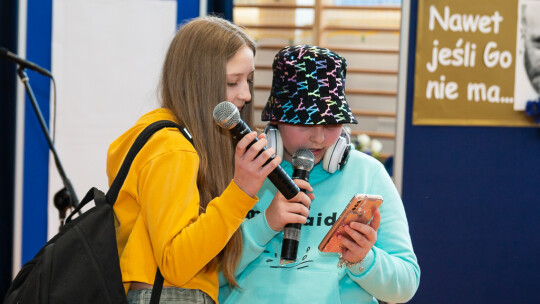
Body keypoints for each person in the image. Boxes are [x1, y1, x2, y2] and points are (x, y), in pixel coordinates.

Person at [106, 17, 310, 304]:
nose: (246, 94)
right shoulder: (173, 149)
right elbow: (176, 263)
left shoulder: (165, 138)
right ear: (197, 82)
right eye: (232, 82)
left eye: (249, 80)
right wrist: (241, 191)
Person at [219, 45, 420, 303]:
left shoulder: (367, 173)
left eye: (331, 122)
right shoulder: (239, 170)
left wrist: (363, 260)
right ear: (276, 121)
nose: (319, 137)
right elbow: (203, 276)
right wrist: (265, 224)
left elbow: (405, 286)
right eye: (304, 123)